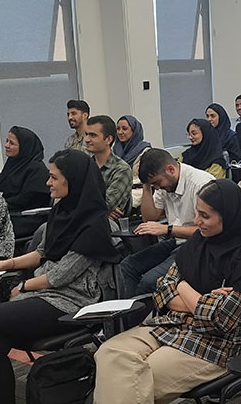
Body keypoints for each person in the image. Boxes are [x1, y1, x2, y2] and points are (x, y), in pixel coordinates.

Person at [94, 179, 241, 404]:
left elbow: (218, 320)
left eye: (205, 216)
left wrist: (180, 286)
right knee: (108, 353)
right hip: (171, 326)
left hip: (214, 345)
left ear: (229, 217)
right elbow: (162, 289)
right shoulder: (199, 242)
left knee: (132, 378)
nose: (197, 221)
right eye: (197, 213)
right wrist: (196, 295)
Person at [0, 149, 118, 404]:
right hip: (45, 292)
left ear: (72, 180)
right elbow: (41, 253)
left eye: (54, 177)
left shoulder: (94, 224)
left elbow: (61, 275)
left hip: (71, 301)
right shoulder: (61, 210)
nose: (48, 183)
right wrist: (6, 264)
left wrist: (24, 285)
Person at [121, 148, 214, 296]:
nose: (158, 188)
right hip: (176, 241)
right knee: (127, 266)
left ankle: (140, 310)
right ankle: (128, 309)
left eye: (157, 183)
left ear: (171, 169)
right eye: (154, 185)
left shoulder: (200, 184)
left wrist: (168, 229)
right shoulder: (165, 183)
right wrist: (146, 186)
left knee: (149, 282)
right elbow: (149, 218)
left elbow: (207, 231)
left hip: (201, 245)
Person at [0, 127, 51, 237]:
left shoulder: (37, 170)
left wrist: (3, 204)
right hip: (8, 213)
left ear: (24, 147)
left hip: (26, 218)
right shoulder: (13, 164)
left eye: (12, 143)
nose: (6, 145)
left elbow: (25, 199)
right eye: (7, 141)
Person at [85, 115, 133, 221]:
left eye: (93, 135)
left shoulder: (121, 169)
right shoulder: (84, 166)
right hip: (85, 220)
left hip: (109, 225)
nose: (87, 139)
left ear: (108, 139)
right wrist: (101, 211)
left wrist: (101, 210)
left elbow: (106, 204)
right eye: (86, 134)